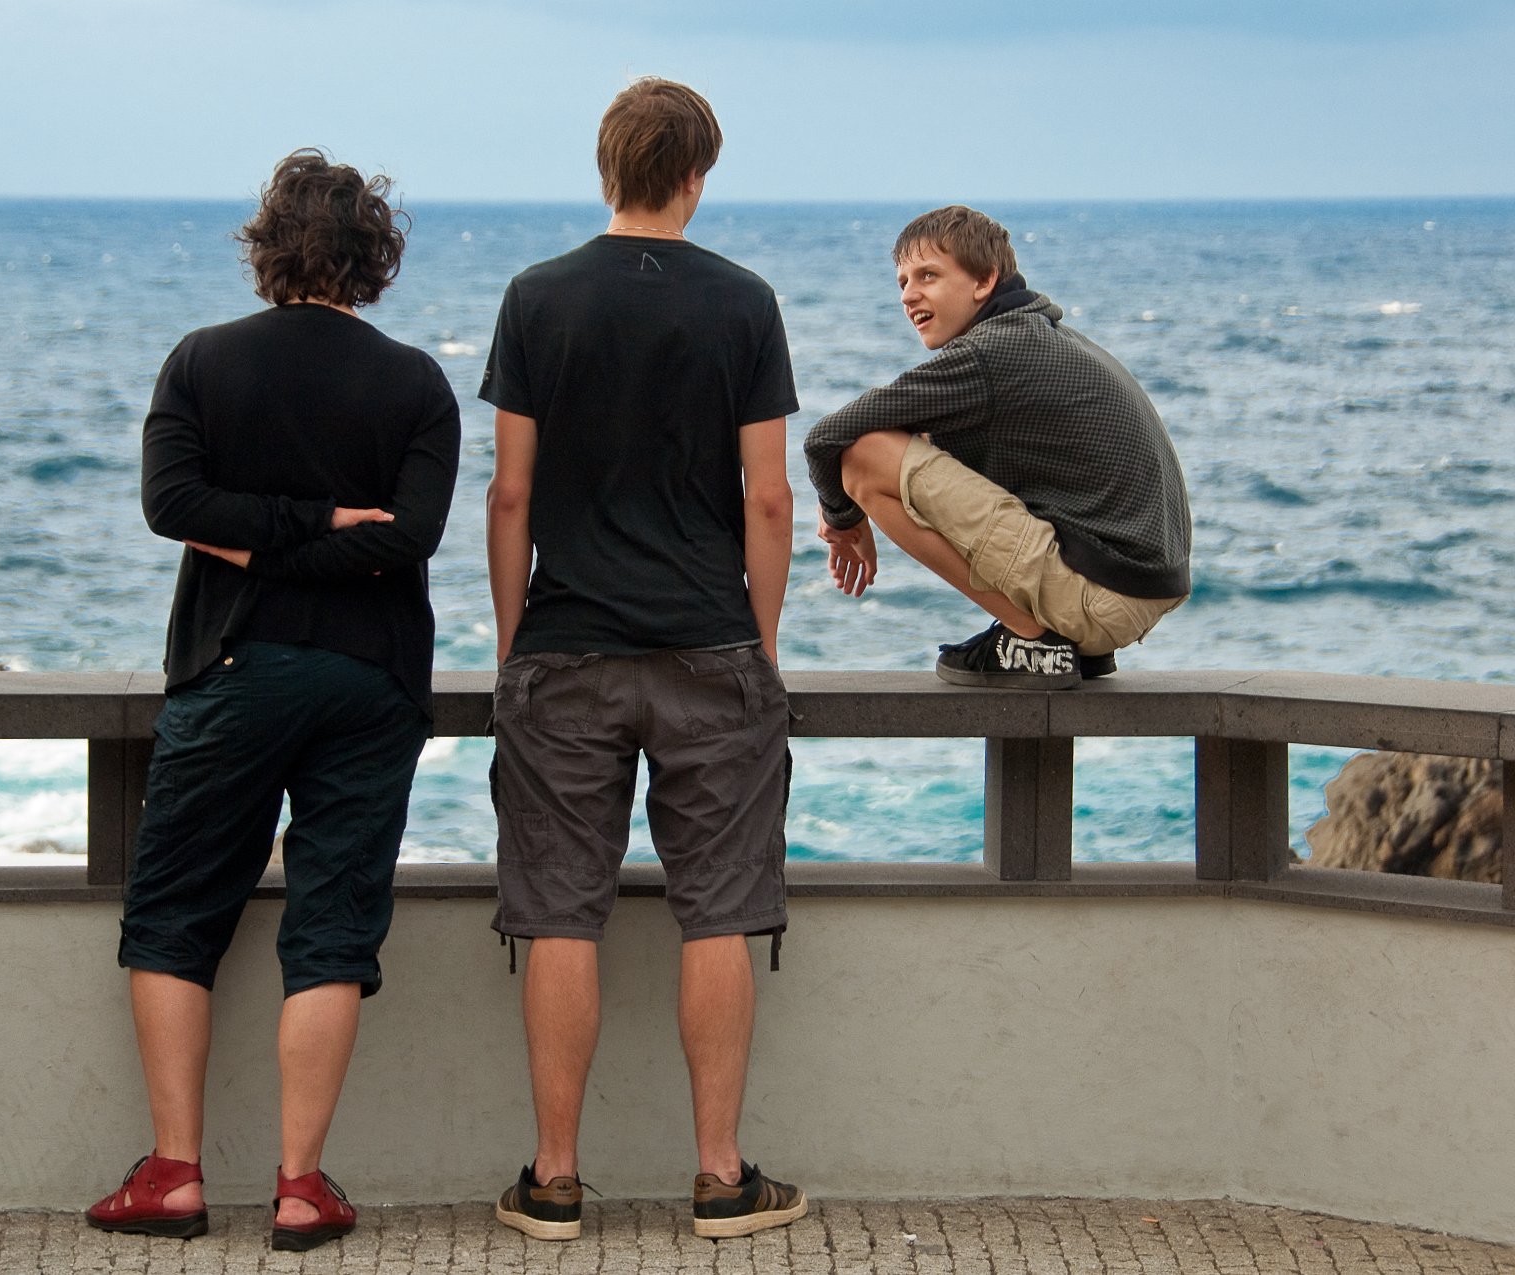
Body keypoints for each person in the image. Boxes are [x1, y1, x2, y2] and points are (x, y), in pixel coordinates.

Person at [85, 149, 459, 1252]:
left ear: (267, 249)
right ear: (374, 257)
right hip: (371, 680)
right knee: (331, 930)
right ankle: (300, 1187)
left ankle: (173, 1176)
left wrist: (262, 541)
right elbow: (410, 538)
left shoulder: (202, 361)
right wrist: (329, 525)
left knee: (172, 918)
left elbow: (172, 502)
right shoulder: (417, 384)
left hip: (233, 666)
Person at [480, 77, 807, 1242]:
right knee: (718, 910)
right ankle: (720, 1178)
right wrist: (760, 643)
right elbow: (768, 500)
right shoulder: (745, 303)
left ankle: (554, 1180)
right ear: (696, 177)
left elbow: (510, 493)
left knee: (559, 911)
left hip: (565, 643)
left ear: (606, 168)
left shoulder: (536, 298)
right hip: (709, 642)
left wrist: (514, 647)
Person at [802, 205, 1191, 689]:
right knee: (914, 441)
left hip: (1102, 598)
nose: (908, 295)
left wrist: (843, 519)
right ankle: (1064, 641)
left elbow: (827, 437)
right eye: (902, 281)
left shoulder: (989, 352)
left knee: (864, 457)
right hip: (1133, 590)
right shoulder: (1041, 335)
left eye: (928, 276)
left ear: (984, 280)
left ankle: (1032, 641)